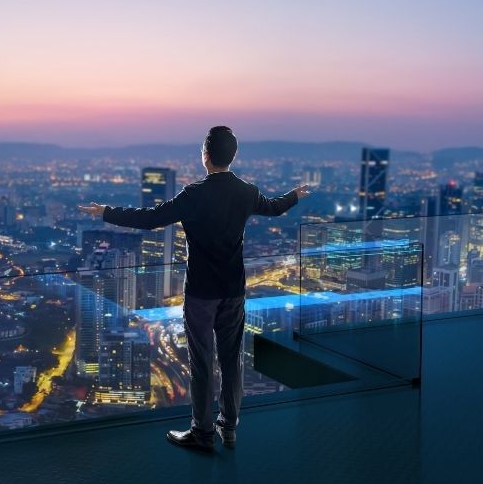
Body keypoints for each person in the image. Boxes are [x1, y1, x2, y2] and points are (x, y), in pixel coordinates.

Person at [78, 126, 311, 452]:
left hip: (201, 292)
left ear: (205, 155)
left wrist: (105, 212)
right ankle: (228, 429)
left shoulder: (194, 194)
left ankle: (201, 433)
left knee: (202, 363)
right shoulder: (246, 191)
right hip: (233, 289)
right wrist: (294, 196)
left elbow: (150, 219)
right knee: (232, 362)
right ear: (233, 156)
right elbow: (273, 207)